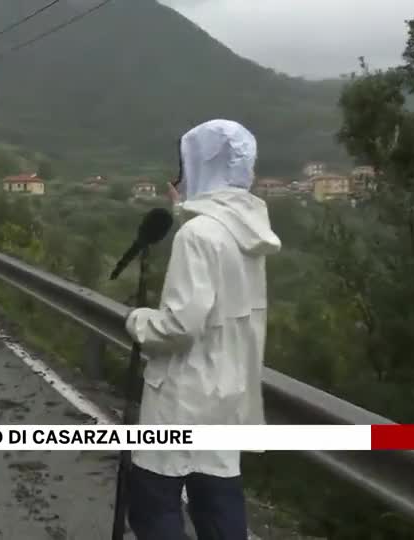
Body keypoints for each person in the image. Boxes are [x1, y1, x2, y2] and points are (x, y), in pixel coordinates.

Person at [124, 119, 282, 540]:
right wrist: (182, 209)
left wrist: (139, 322)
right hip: (227, 389)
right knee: (217, 504)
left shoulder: (196, 236)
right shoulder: (248, 232)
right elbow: (215, 255)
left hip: (184, 393)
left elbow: (179, 326)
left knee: (153, 505)